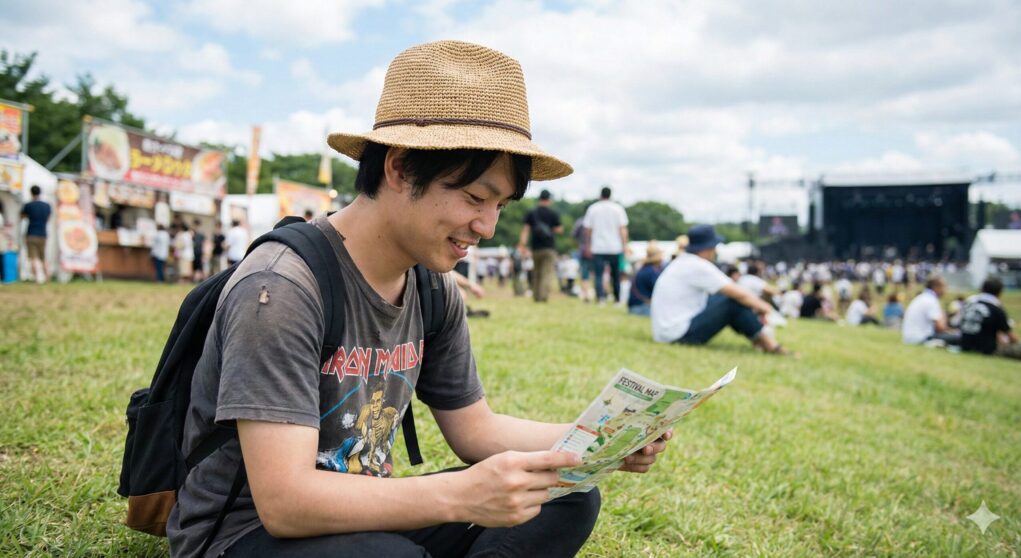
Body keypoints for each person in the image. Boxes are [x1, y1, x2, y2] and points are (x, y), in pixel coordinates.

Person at [167, 40, 671, 558]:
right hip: (246, 534)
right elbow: (285, 503)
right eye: (475, 197)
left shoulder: (431, 287)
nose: (487, 226)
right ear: (400, 168)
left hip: (363, 515)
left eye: (500, 204)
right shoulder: (281, 288)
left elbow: (475, 430)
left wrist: (598, 441)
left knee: (563, 497)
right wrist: (461, 495)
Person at [650, 224, 790, 354]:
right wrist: (766, 308)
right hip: (678, 335)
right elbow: (739, 294)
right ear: (709, 248)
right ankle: (770, 344)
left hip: (665, 333)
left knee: (725, 300)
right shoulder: (698, 265)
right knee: (731, 302)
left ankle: (758, 338)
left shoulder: (683, 262)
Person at [582, 186, 628, 304]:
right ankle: (617, 299)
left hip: (598, 246)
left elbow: (588, 230)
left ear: (600, 195)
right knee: (615, 275)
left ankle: (600, 298)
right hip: (615, 247)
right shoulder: (618, 208)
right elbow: (622, 229)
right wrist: (625, 245)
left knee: (598, 274)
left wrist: (588, 245)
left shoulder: (593, 208)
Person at [960, 277, 1021, 360]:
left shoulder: (969, 303)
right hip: (986, 349)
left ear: (982, 289)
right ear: (999, 292)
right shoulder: (996, 309)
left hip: (964, 344)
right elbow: (1010, 336)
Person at [518, 189, 562, 302]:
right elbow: (560, 229)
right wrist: (550, 229)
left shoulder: (532, 212)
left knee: (536, 272)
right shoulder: (553, 213)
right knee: (546, 273)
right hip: (549, 247)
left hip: (535, 247)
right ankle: (542, 297)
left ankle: (536, 296)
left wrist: (522, 245)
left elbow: (525, 230)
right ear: (549, 199)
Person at [902, 276, 960, 346]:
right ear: (936, 287)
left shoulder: (923, 297)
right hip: (921, 338)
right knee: (960, 338)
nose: (945, 290)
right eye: (944, 286)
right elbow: (940, 328)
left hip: (910, 338)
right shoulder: (931, 300)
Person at [20, 185, 51, 284]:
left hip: (31, 234)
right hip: (43, 234)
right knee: (43, 258)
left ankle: (36, 278)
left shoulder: (28, 205)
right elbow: (48, 218)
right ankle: (47, 278)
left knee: (33, 258)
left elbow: (22, 216)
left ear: (31, 193)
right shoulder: (46, 205)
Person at [627, 242, 663, 316]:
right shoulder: (651, 272)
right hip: (641, 307)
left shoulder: (644, 269)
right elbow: (660, 291)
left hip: (635, 307)